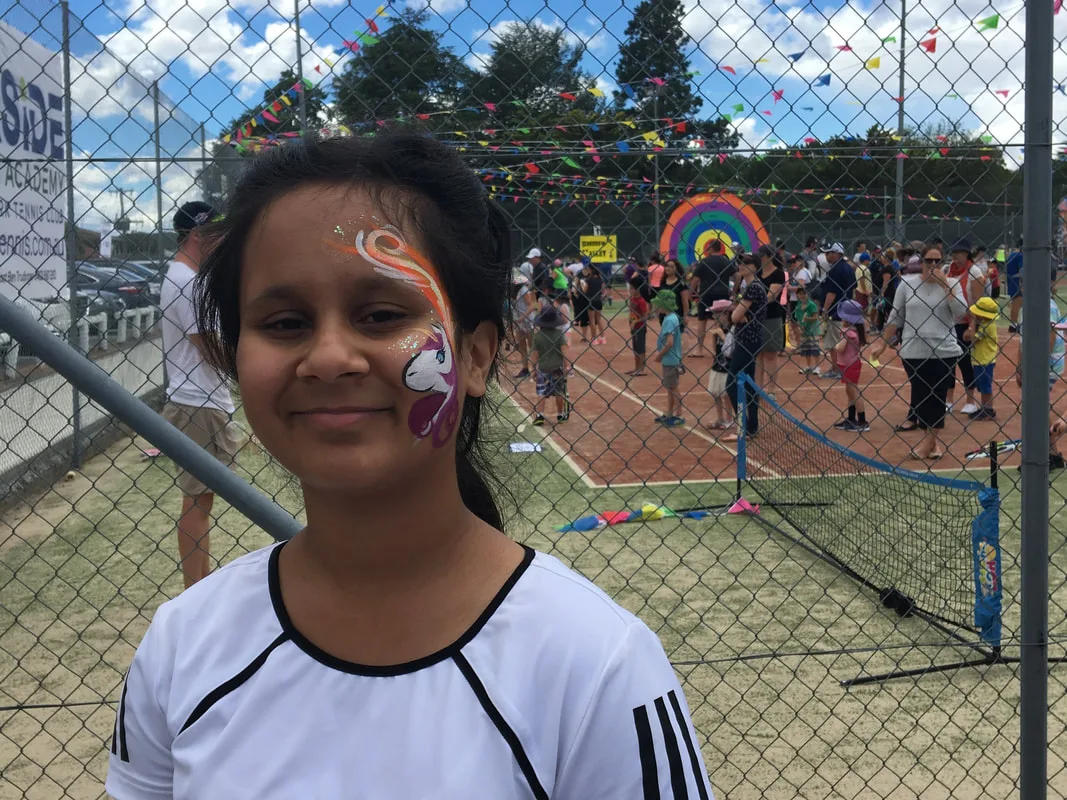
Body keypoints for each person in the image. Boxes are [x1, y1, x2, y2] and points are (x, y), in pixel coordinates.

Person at [106, 132, 714, 799]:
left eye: (381, 314)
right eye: (283, 323)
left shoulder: (597, 666)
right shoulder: (181, 647)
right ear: (234, 355)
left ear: (477, 356)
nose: (330, 357)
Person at [159, 200, 240, 589]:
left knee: (200, 500)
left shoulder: (182, 276)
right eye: (216, 233)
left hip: (198, 399)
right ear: (197, 235)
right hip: (199, 401)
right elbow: (208, 345)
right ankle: (195, 587)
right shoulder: (186, 281)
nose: (222, 239)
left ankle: (199, 582)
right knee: (197, 502)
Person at [871, 244, 965, 461]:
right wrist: (883, 343)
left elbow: (960, 313)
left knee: (937, 395)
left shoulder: (953, 284)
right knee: (921, 397)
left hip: (944, 350)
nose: (933, 265)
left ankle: (928, 445)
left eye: (937, 261)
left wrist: (946, 288)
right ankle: (932, 444)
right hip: (914, 350)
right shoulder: (906, 284)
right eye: (929, 261)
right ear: (920, 263)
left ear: (943, 263)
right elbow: (896, 316)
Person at [723, 255, 767, 443]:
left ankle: (744, 426)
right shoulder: (749, 287)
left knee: (731, 384)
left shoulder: (753, 288)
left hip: (747, 340)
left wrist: (737, 313)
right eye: (740, 263)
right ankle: (751, 426)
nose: (741, 266)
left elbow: (735, 317)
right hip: (749, 339)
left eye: (746, 263)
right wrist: (738, 314)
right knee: (748, 383)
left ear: (755, 267)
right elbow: (738, 315)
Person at [944, 239, 984, 415]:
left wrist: (972, 326)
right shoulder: (947, 271)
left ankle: (970, 400)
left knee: (966, 363)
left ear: (967, 254)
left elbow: (977, 302)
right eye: (953, 253)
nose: (955, 257)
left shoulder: (975, 273)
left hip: (965, 323)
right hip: (948, 323)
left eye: (959, 253)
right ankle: (948, 399)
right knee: (947, 364)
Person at [817, 242, 856, 380]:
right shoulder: (848, 268)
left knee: (833, 343)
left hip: (836, 311)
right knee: (843, 341)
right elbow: (853, 288)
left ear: (837, 253)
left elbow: (831, 293)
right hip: (847, 309)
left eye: (829, 253)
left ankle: (836, 369)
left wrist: (825, 309)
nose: (827, 255)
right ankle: (843, 368)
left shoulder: (835, 269)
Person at [691, 239, 735, 358]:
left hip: (706, 293)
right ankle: (719, 349)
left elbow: (695, 279)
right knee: (720, 322)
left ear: (711, 248)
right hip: (722, 294)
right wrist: (734, 292)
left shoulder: (704, 261)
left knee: (702, 321)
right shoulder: (726, 261)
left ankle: (699, 349)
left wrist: (691, 292)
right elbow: (737, 275)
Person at [831, 299, 869, 432]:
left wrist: (836, 344)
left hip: (850, 365)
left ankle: (862, 421)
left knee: (853, 391)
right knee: (850, 391)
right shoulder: (856, 330)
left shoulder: (848, 332)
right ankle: (851, 418)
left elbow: (840, 349)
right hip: (850, 364)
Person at [530, 305, 570, 425]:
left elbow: (535, 355)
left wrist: (533, 369)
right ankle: (560, 414)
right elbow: (564, 351)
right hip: (557, 368)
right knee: (559, 392)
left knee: (541, 392)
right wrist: (567, 366)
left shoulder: (538, 337)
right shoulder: (559, 334)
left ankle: (540, 415)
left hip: (543, 368)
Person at [651, 291, 685, 427]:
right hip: (670, 359)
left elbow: (669, 342)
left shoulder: (669, 320)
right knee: (670, 387)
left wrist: (659, 355)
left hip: (670, 359)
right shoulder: (671, 317)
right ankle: (670, 413)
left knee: (673, 387)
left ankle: (679, 414)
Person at [755, 244, 786, 393]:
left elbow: (771, 296)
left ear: (768, 257)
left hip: (772, 317)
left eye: (761, 256)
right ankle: (757, 388)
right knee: (758, 355)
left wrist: (753, 302)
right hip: (756, 317)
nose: (759, 259)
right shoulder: (757, 273)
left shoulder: (778, 274)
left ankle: (771, 390)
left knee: (770, 355)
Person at [965, 296, 1000, 421]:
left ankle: (988, 409)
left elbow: (972, 340)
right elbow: (966, 337)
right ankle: (985, 407)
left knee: (985, 387)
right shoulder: (984, 324)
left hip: (985, 361)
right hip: (979, 360)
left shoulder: (988, 326)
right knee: (982, 386)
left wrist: (973, 323)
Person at [704, 299, 734, 430]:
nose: (715, 317)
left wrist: (722, 335)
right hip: (718, 364)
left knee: (726, 394)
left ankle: (729, 419)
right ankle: (720, 418)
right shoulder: (718, 328)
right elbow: (715, 348)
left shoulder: (733, 329)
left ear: (726, 313)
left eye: (718, 314)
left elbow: (731, 348)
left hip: (728, 366)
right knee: (715, 392)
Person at [793, 284, 821, 374]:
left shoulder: (811, 305)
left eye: (804, 293)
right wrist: (800, 328)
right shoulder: (798, 306)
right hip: (804, 331)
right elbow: (798, 319)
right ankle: (808, 366)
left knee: (814, 348)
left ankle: (817, 367)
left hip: (812, 330)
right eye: (800, 294)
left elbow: (815, 317)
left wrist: (807, 319)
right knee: (806, 349)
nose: (802, 295)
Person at [626, 278, 650, 377]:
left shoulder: (641, 301)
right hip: (634, 326)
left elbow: (645, 316)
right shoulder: (632, 299)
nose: (630, 290)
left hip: (640, 326)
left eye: (632, 288)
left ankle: (642, 368)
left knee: (640, 348)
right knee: (635, 348)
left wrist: (635, 321)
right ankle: (636, 367)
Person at [1006, 238, 1023, 332]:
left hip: (1011, 281)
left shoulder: (1012, 255)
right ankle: (1013, 324)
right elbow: (1022, 270)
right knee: (1017, 303)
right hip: (1017, 282)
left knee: (1015, 304)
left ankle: (1014, 323)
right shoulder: (1019, 256)